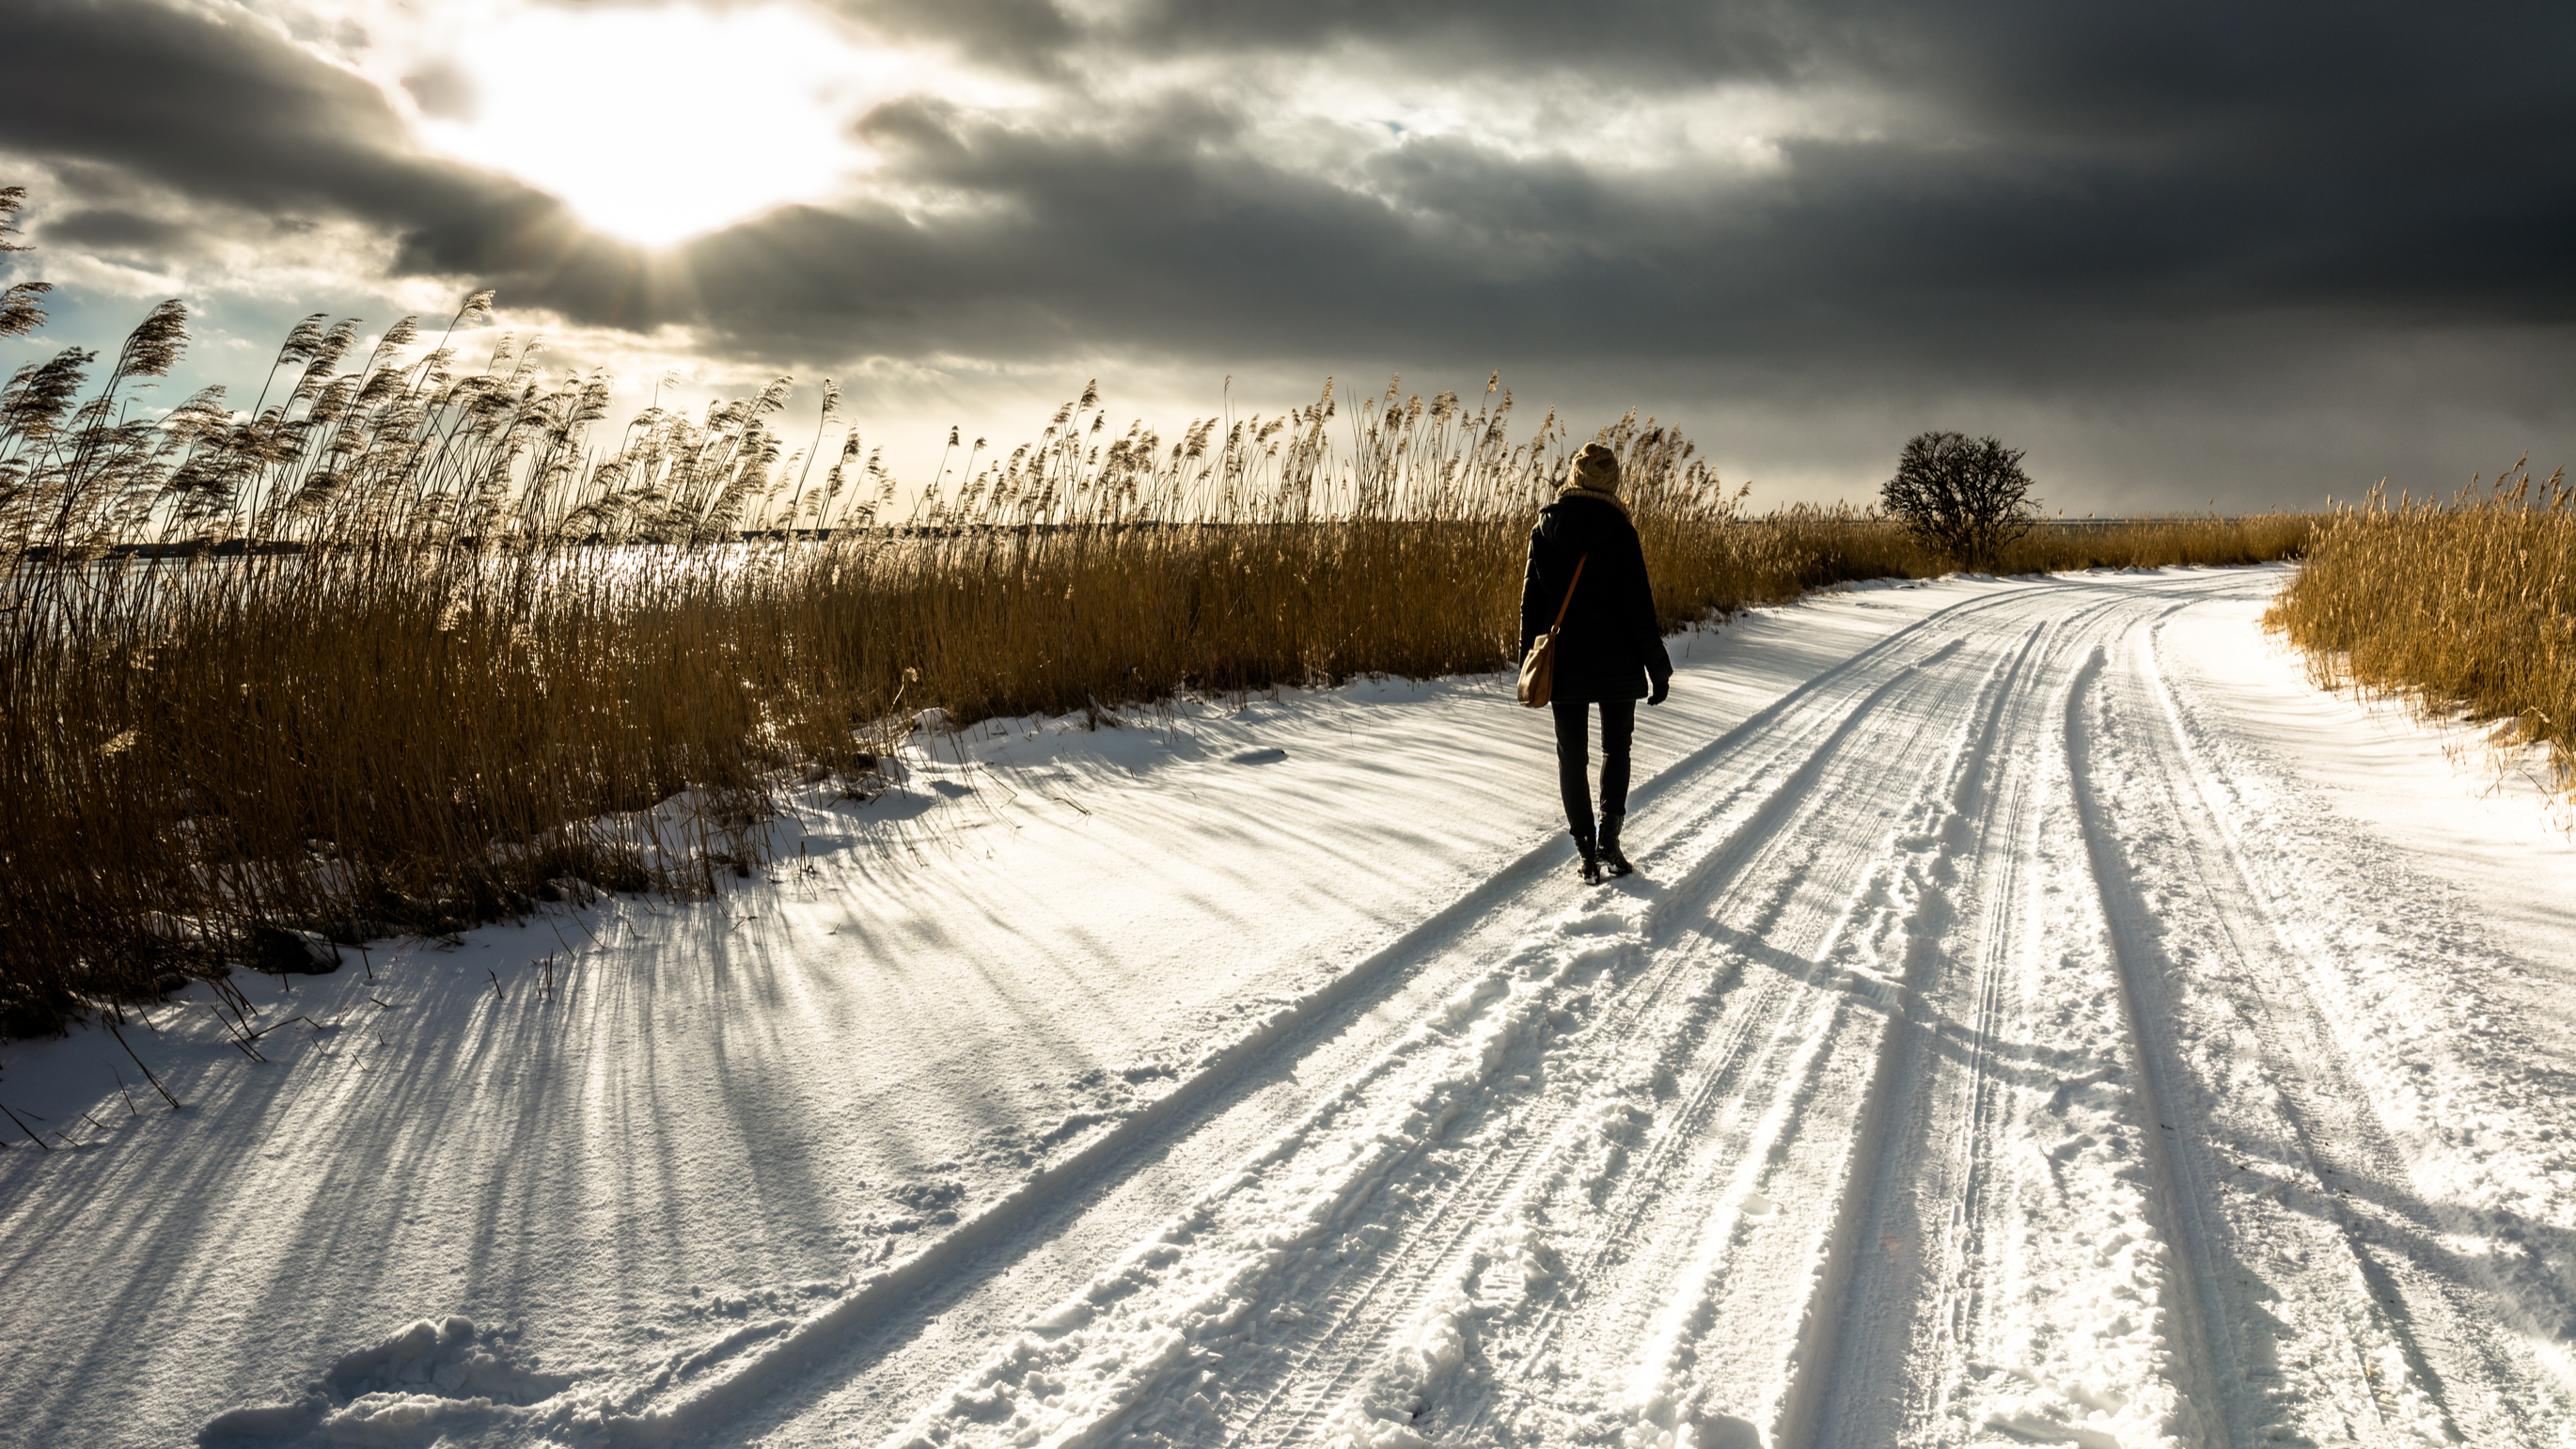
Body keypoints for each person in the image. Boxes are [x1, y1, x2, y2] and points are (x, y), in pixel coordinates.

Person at [1520, 441, 1673, 884]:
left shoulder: (1545, 528)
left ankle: (1585, 851)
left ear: (1575, 475)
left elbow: (1531, 604)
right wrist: (1658, 669)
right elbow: (1639, 610)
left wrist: (1529, 660)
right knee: (1616, 748)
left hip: (1564, 661)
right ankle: (1609, 841)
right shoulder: (1621, 533)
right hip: (1617, 662)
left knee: (1572, 757)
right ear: (1612, 482)